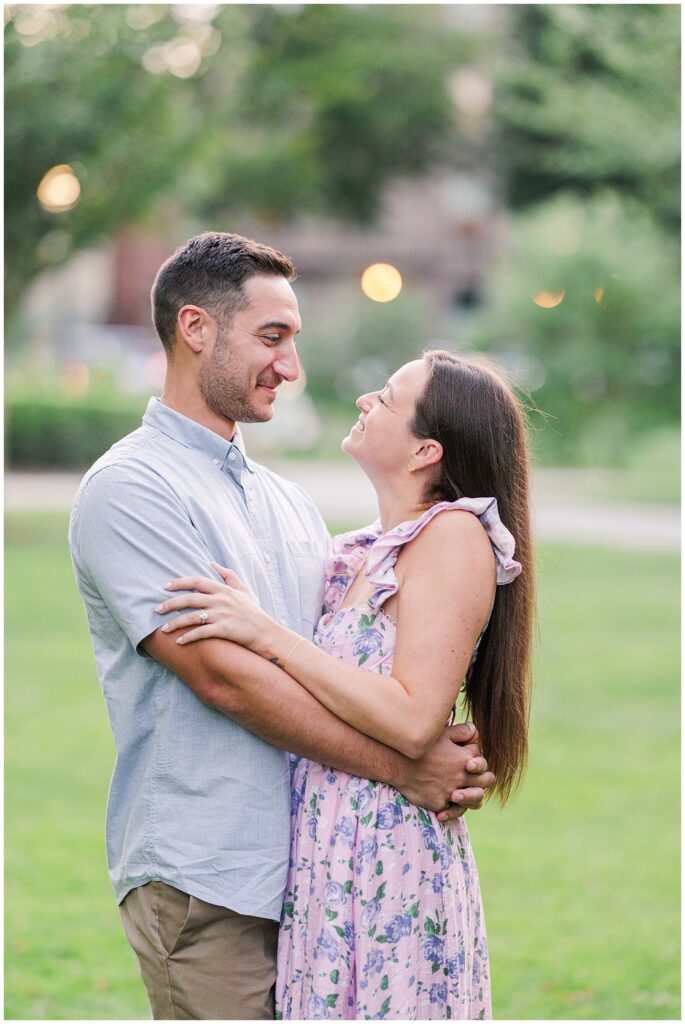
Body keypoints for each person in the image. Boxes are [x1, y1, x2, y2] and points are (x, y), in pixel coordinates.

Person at [69, 232, 495, 1021]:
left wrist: (441, 742)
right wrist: (404, 766)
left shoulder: (288, 502)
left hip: (322, 876)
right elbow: (225, 678)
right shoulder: (131, 489)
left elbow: (349, 663)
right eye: (272, 338)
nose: (291, 368)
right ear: (196, 328)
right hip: (210, 875)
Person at [156, 350, 534, 1020]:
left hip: (387, 854)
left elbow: (414, 717)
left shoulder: (451, 537)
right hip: (328, 851)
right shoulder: (360, 550)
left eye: (386, 397)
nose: (365, 399)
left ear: (425, 449)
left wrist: (266, 634)